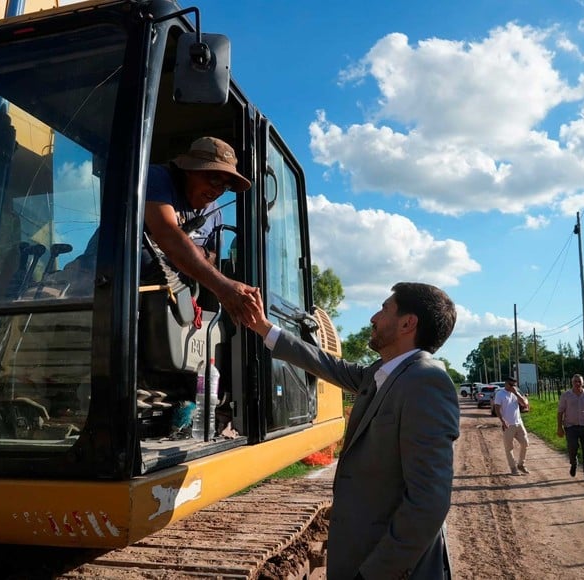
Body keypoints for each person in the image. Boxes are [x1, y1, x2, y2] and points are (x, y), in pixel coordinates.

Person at [244, 282, 459, 580]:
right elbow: (327, 364)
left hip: (389, 569)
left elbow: (429, 502)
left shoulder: (426, 382)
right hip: (363, 555)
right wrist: (264, 327)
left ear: (408, 323)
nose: (373, 318)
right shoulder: (382, 374)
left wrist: (374, 574)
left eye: (384, 309)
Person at [143, 136, 259, 326]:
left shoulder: (215, 213)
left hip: (168, 300)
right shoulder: (156, 178)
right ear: (189, 169)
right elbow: (167, 234)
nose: (218, 190)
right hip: (118, 289)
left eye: (226, 185)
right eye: (213, 178)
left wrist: (202, 252)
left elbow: (214, 256)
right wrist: (222, 287)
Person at [493, 375, 530, 476]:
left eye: (514, 384)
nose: (512, 386)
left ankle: (521, 464)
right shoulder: (500, 394)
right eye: (510, 384)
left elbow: (524, 404)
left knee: (525, 443)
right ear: (506, 383)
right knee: (509, 447)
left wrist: (516, 393)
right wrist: (502, 421)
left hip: (519, 423)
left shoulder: (515, 393)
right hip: (508, 424)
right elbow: (497, 408)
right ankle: (513, 468)